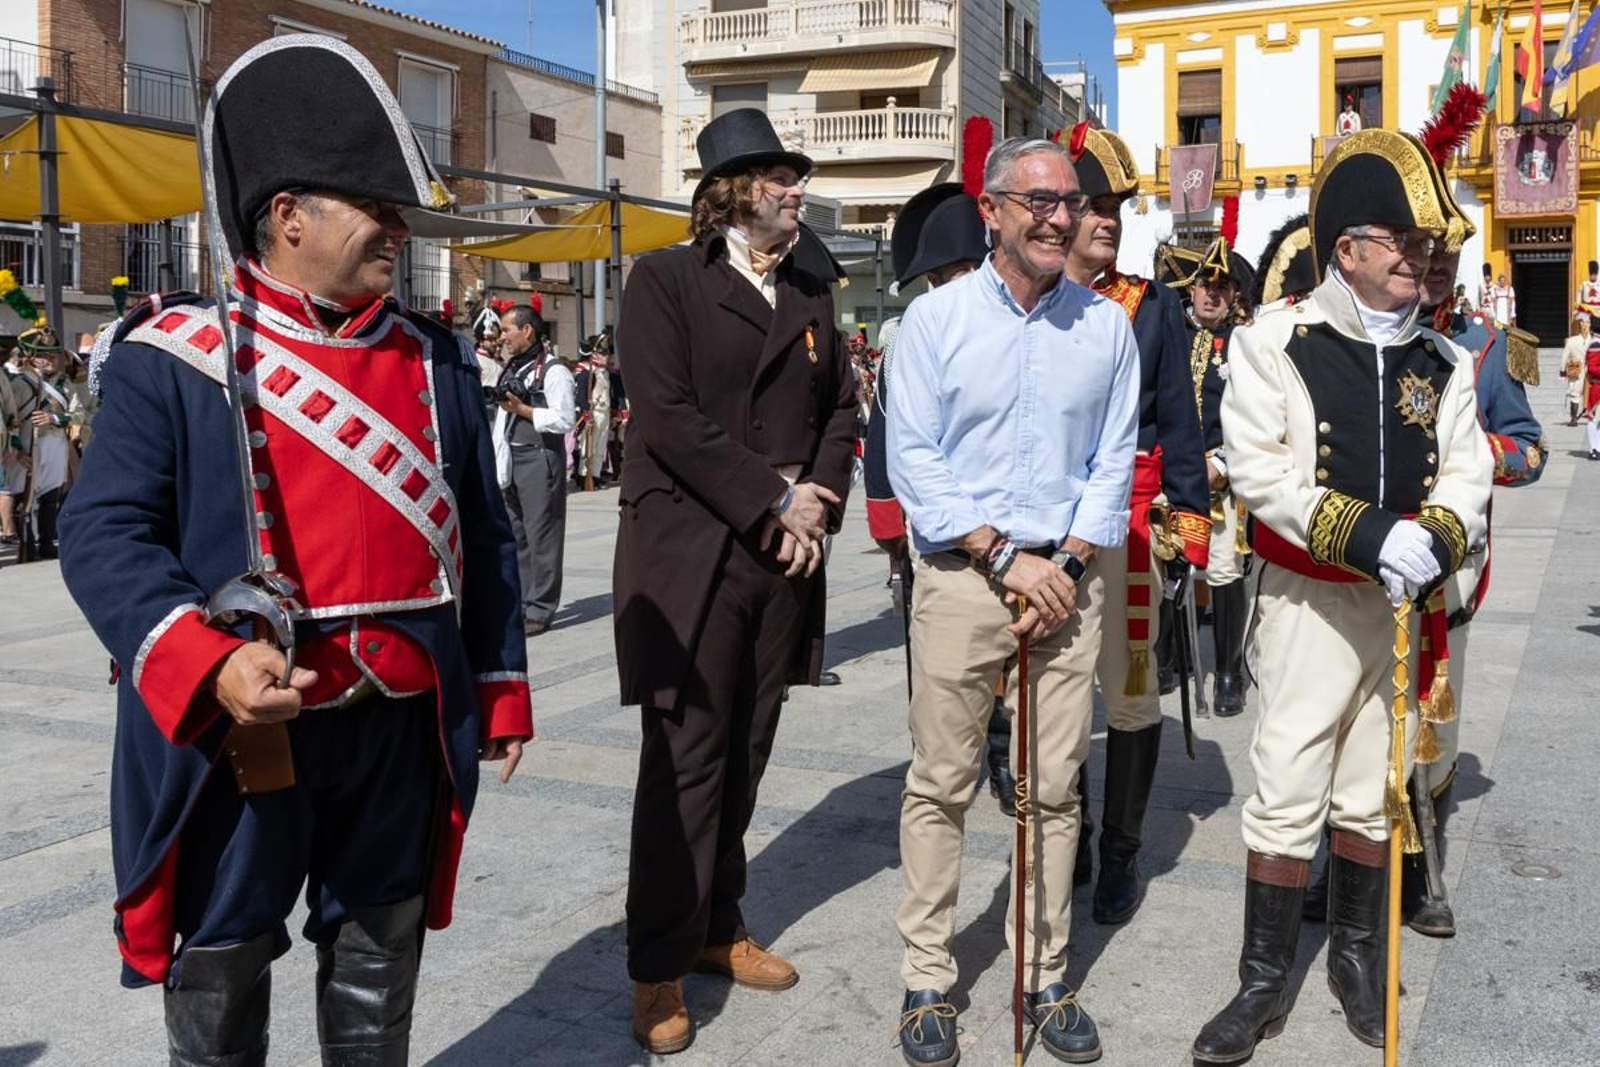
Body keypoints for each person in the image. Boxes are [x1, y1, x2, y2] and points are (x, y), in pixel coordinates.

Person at [57, 36, 533, 1066]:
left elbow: (484, 536)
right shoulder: (172, 358)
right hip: (243, 726)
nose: (398, 232)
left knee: (379, 952)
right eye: (375, 206)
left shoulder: (435, 358)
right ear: (288, 216)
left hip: (398, 725)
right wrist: (207, 657)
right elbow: (102, 532)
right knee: (224, 963)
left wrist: (497, 685)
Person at [1191, 129, 1492, 1063]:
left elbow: (1469, 474)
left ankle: (1357, 958)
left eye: (1429, 247)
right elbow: (1262, 471)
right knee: (1286, 787)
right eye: (1405, 244)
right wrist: (1374, 535)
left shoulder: (1446, 361)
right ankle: (1260, 977)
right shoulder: (1273, 341)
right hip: (1310, 602)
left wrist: (1434, 539)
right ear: (1349, 248)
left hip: (1398, 606)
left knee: (1372, 793)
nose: (1423, 260)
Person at [887, 135, 1140, 1067]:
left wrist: (1066, 566)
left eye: (1067, 201)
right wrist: (1003, 558)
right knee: (942, 782)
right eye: (1036, 200)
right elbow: (914, 460)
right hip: (963, 577)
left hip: (1066, 586)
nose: (1057, 217)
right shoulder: (935, 322)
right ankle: (926, 977)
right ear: (991, 209)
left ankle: (1044, 973)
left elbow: (1111, 462)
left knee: (1053, 790)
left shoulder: (1105, 326)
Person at [612, 107, 857, 1056]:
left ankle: (718, 925)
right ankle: (655, 964)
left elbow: (842, 404)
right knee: (684, 763)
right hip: (695, 556)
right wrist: (772, 499)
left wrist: (820, 501)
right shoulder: (665, 280)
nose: (797, 188)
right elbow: (666, 417)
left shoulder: (810, 288)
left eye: (796, 176)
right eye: (779, 177)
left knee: (747, 750)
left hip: (781, 555)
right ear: (732, 191)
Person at [1053, 122, 1210, 925]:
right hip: (1052, 528)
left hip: (1134, 528)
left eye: (1115, 206)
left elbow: (1179, 422)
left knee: (1131, 692)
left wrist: (1188, 522)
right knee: (1058, 699)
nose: (1107, 219)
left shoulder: (1152, 307)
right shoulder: (1036, 300)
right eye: (1092, 205)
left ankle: (1119, 853)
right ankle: (1070, 838)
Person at [860, 181, 993, 782]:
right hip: (938, 530)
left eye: (966, 268)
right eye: (944, 277)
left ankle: (1007, 746)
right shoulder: (912, 332)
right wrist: (889, 525)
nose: (955, 285)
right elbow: (884, 434)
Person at [1182, 237, 1256, 715]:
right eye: (1203, 286)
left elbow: (1255, 418)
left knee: (1223, 570)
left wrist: (1222, 464)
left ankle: (1229, 671)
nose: (1210, 295)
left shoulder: (1245, 344)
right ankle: (1173, 658)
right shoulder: (1172, 334)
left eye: (1221, 287)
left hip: (1222, 477)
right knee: (1171, 566)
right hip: (1176, 473)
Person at [494, 305, 576, 636]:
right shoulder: (514, 368)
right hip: (511, 459)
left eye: (506, 330)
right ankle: (525, 602)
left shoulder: (554, 371)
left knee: (543, 536)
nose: (501, 337)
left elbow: (565, 418)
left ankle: (541, 608)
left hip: (539, 458)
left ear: (527, 331)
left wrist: (524, 409)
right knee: (518, 537)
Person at [18, 327, 78, 559]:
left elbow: (78, 415)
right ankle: (28, 545)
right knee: (28, 498)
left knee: (51, 496)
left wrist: (53, 418)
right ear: (33, 358)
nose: (51, 360)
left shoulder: (64, 385)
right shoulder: (21, 382)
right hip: (30, 442)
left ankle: (46, 543)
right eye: (45, 356)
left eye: (53, 355)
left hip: (56, 443)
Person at [572, 331, 622, 490]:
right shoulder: (588, 372)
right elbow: (581, 396)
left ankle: (595, 475)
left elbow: (611, 395)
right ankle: (583, 476)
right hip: (593, 413)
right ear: (593, 354)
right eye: (602, 353)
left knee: (600, 447)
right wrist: (586, 415)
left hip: (604, 413)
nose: (606, 357)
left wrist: (615, 414)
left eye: (607, 353)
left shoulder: (605, 372)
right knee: (588, 448)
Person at [1565, 312, 1592, 425]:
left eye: (1587, 323)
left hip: (1592, 370)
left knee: (1594, 393)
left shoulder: (1595, 340)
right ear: (1579, 324)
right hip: (1577, 369)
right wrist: (1564, 370)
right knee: (1574, 393)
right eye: (1582, 322)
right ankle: (1574, 418)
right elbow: (1565, 356)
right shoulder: (1572, 340)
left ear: (1590, 324)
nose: (1585, 325)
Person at [1576, 260, 1600, 329]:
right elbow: (1578, 300)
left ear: (1597, 274)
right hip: (1586, 312)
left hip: (1598, 312)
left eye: (1594, 274)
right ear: (1589, 273)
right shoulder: (1584, 284)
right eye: (1591, 274)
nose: (1593, 276)